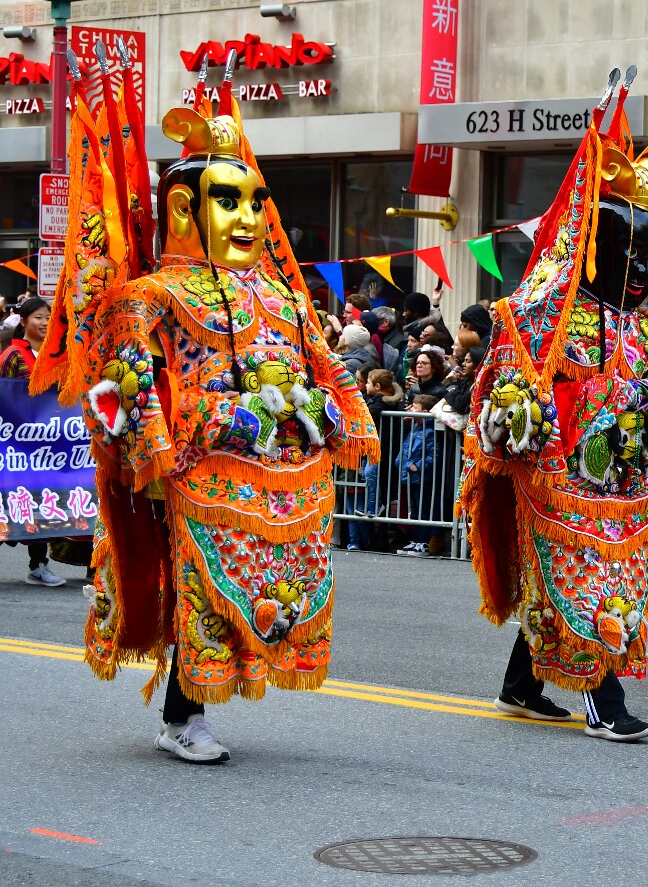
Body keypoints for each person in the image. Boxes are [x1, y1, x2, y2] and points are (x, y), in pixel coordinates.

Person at [35, 89, 379, 763]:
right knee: (201, 587)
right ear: (186, 208)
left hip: (286, 472)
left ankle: (199, 699)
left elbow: (327, 366)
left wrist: (341, 420)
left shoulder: (281, 295)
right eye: (231, 201)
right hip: (200, 467)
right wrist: (158, 446)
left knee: (268, 590)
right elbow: (120, 377)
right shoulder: (153, 293)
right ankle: (182, 714)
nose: (249, 217)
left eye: (256, 201)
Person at [459, 77, 648, 743]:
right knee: (582, 579)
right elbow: (500, 394)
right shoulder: (540, 318)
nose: (645, 271)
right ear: (590, 249)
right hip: (562, 482)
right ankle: (604, 698)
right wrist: (534, 412)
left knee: (620, 579)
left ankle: (522, 682)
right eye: (630, 255)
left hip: (626, 482)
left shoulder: (646, 329)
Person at [0, 296, 66, 587]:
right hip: (17, 447)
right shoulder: (12, 355)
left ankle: (38, 565)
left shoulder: (57, 355)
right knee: (9, 504)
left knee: (39, 505)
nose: (43, 323)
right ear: (24, 321)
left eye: (47, 317)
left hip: (47, 448)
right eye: (38, 317)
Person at [346, 368, 402, 551]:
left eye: (368, 383)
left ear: (377, 386)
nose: (365, 386)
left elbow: (371, 413)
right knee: (368, 476)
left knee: (370, 473)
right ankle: (372, 507)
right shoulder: (378, 400)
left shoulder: (379, 402)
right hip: (372, 449)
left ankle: (373, 506)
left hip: (381, 450)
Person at [395, 393, 440, 557]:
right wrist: (399, 461)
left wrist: (418, 467)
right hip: (410, 477)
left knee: (423, 510)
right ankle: (416, 539)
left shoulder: (429, 432)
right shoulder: (414, 429)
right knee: (414, 510)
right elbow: (405, 449)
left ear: (426, 412)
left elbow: (434, 455)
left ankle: (423, 541)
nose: (410, 409)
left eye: (414, 407)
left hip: (422, 478)